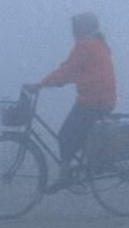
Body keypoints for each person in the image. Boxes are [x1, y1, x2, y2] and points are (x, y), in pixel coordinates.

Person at [24, 12, 116, 192]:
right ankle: (93, 161)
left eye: (76, 27)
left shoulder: (85, 46)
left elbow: (66, 71)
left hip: (93, 100)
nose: (73, 31)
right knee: (77, 136)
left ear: (83, 28)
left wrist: (40, 85)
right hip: (103, 99)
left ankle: (65, 176)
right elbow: (73, 72)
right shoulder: (98, 44)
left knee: (65, 136)